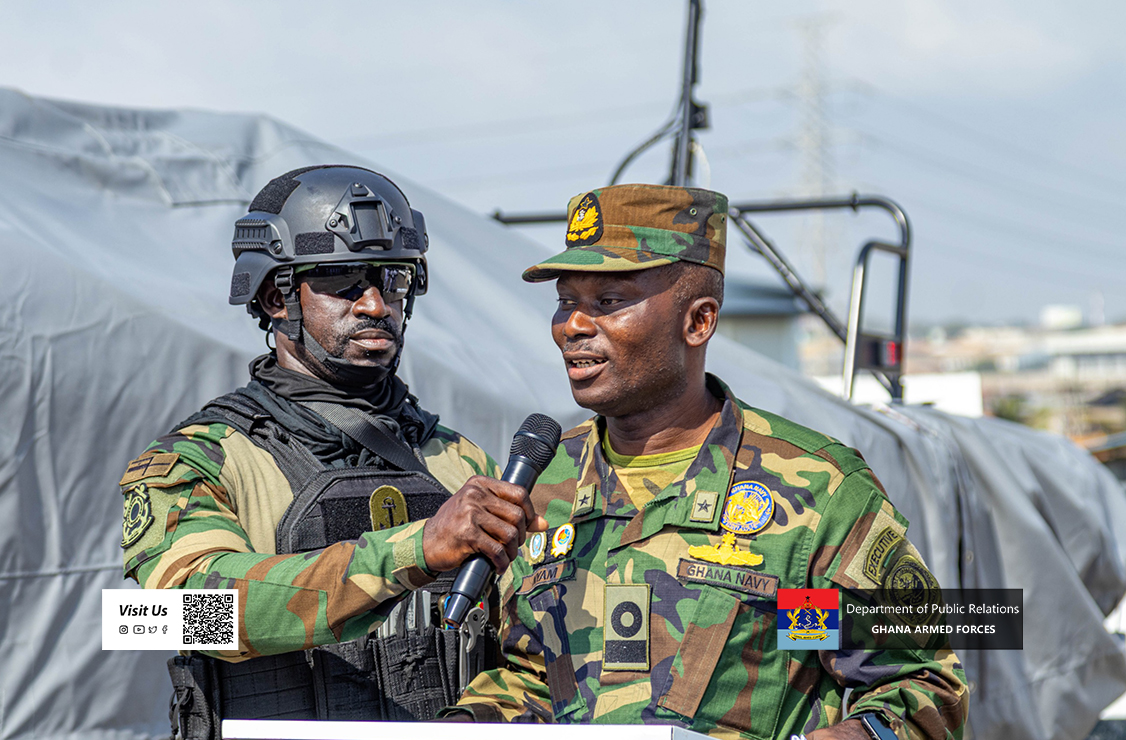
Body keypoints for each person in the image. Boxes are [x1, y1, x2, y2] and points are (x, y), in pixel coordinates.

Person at [446, 184, 968, 739]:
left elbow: (919, 685)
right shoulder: (545, 485)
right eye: (565, 301)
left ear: (698, 322)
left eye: (608, 302)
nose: (573, 325)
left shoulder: (813, 493)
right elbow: (532, 676)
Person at [119, 165, 542, 739]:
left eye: (393, 279)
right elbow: (161, 620)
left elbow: (536, 647)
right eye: (343, 280)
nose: (375, 304)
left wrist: (472, 720)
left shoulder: (461, 463)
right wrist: (412, 549)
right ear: (276, 297)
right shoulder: (197, 460)